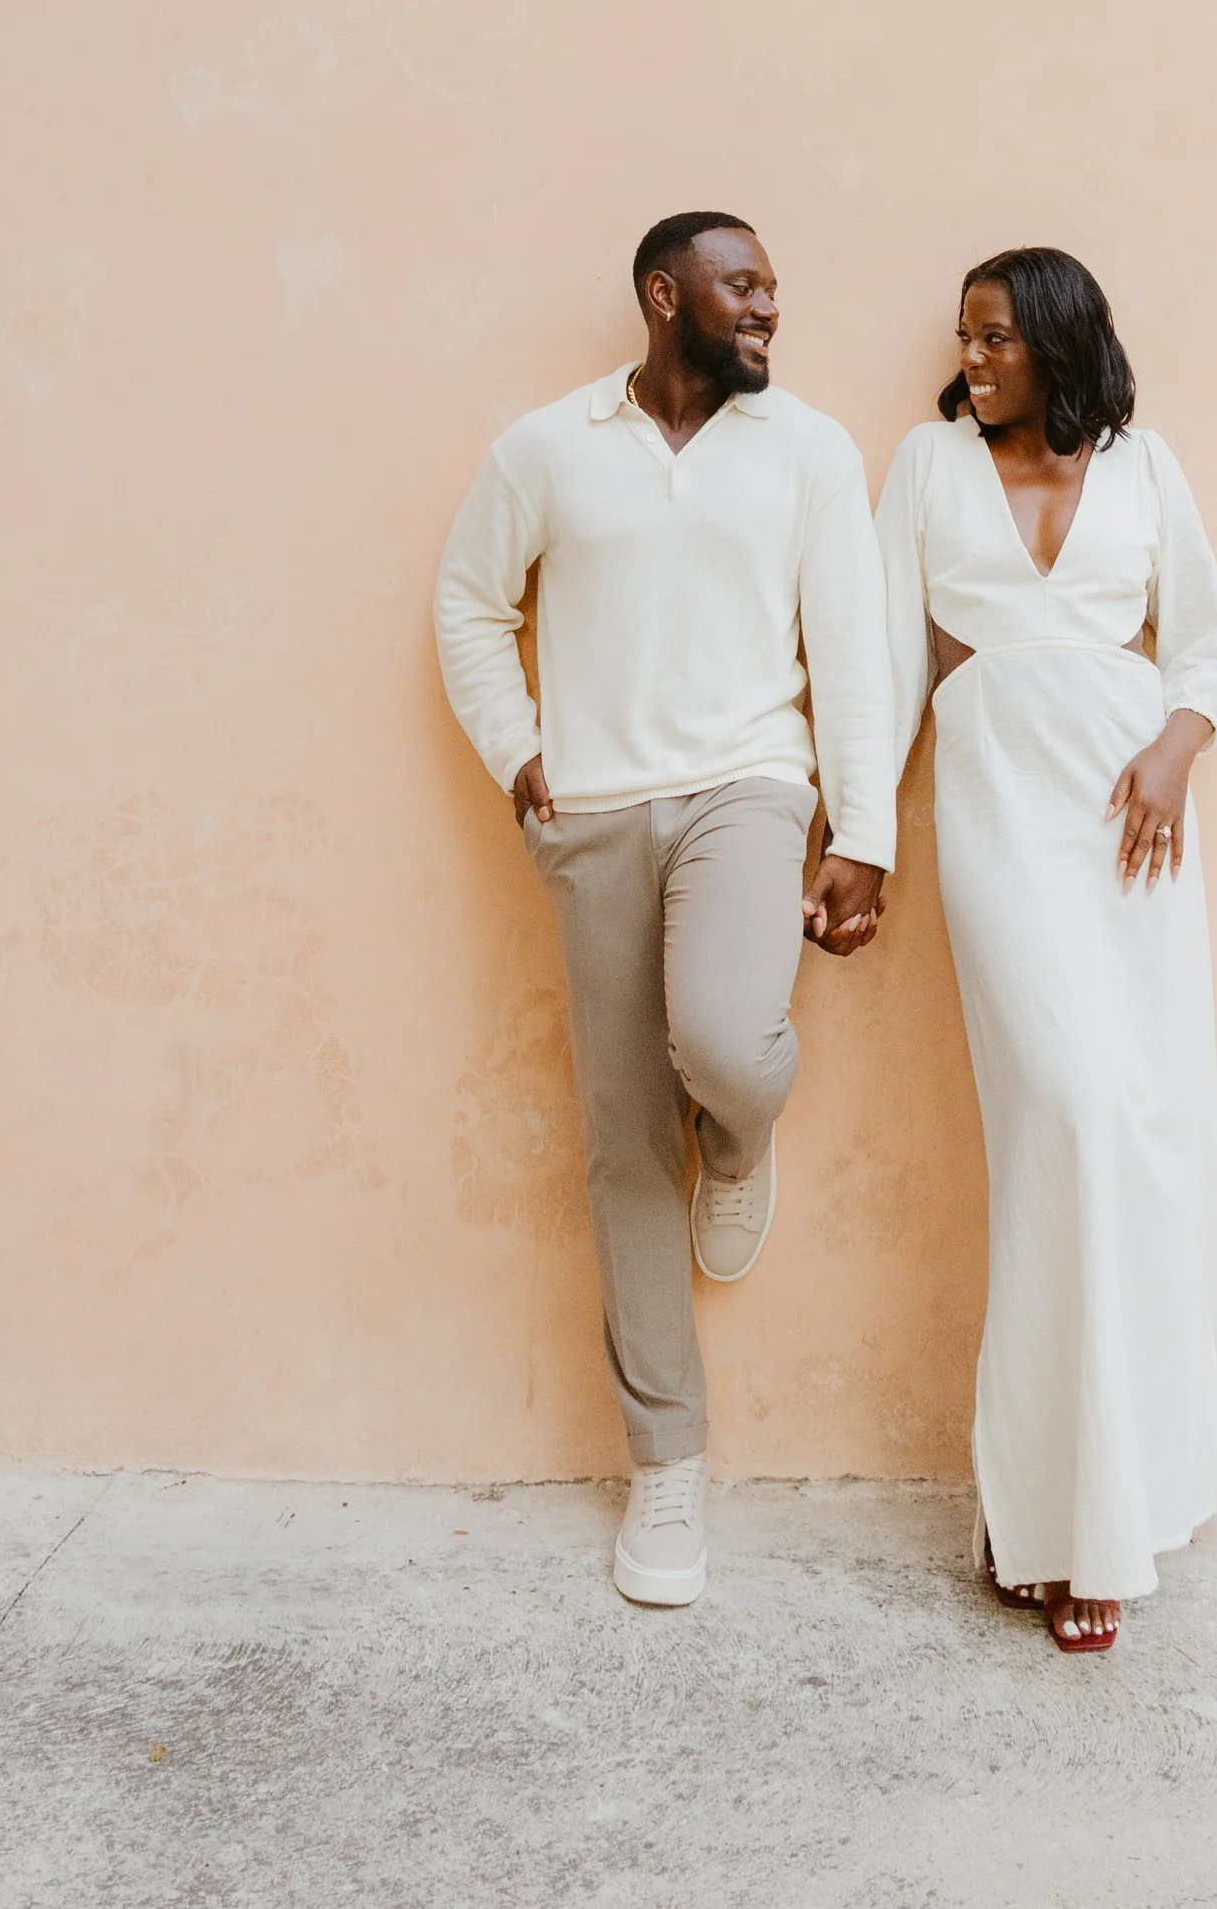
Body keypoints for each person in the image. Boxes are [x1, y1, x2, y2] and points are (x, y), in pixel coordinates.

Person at [435, 211, 896, 1609]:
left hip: (749, 787)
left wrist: (861, 829)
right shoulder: (547, 448)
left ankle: (741, 1138)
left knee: (730, 1044)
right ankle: (669, 1468)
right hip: (592, 809)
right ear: (663, 293)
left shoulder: (810, 449)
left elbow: (853, 646)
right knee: (625, 1143)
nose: (767, 308)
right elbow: (467, 602)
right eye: (743, 285)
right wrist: (524, 756)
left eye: (772, 290)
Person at [876, 246, 1217, 1652]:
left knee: (1141, 1132)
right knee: (1071, 1113)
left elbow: (1213, 646)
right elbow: (882, 665)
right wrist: (858, 836)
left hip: (1129, 819)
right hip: (997, 806)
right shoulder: (926, 466)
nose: (971, 358)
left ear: (1054, 339)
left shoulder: (1147, 468)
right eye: (963, 339)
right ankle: (1048, 1498)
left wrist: (1174, 745)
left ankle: (1087, 1513)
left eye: (994, 337)